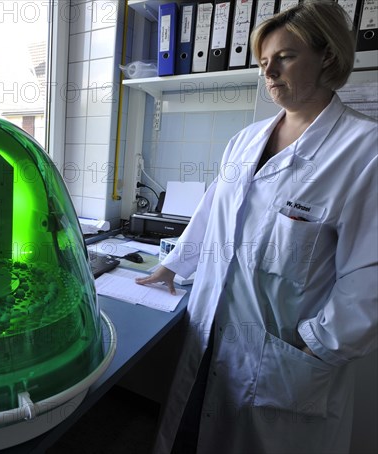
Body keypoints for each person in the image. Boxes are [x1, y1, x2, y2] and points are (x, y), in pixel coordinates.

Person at [136, 2, 378, 453]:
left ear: (327, 56)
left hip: (285, 359)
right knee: (189, 435)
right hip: (209, 335)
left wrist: (314, 348)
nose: (269, 72)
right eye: (264, 62)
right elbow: (211, 214)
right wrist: (172, 266)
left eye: (284, 57)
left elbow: (369, 280)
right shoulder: (245, 140)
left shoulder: (365, 152)